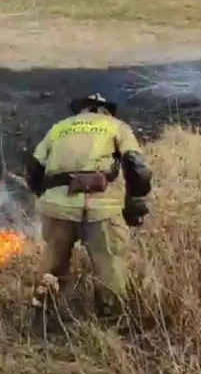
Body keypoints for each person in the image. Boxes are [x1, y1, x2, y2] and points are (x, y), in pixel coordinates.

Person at [24, 92, 153, 327]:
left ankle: (42, 318)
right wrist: (135, 200)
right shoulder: (116, 126)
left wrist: (48, 196)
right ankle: (113, 324)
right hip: (101, 208)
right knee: (109, 263)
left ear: (81, 109)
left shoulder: (58, 128)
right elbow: (138, 167)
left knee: (52, 263)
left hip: (57, 208)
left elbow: (33, 169)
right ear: (104, 110)